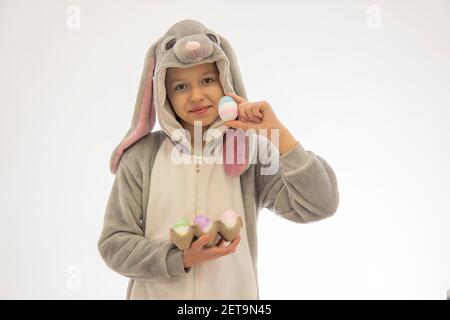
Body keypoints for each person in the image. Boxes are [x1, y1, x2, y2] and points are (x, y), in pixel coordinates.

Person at [98, 19, 339, 300]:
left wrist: (278, 135)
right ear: (162, 94)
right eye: (179, 87)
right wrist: (181, 259)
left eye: (207, 80)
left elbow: (320, 205)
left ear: (226, 80)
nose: (196, 95)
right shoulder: (142, 156)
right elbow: (114, 245)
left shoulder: (250, 153)